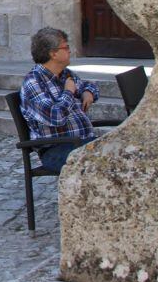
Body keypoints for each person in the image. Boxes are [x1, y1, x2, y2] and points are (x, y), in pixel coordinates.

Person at [19, 27, 100, 173]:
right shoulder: (34, 82)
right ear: (53, 54)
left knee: (118, 149)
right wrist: (69, 91)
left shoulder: (65, 74)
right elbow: (56, 117)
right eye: (66, 47)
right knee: (109, 160)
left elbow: (88, 85)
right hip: (56, 150)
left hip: (80, 143)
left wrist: (88, 92)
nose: (70, 51)